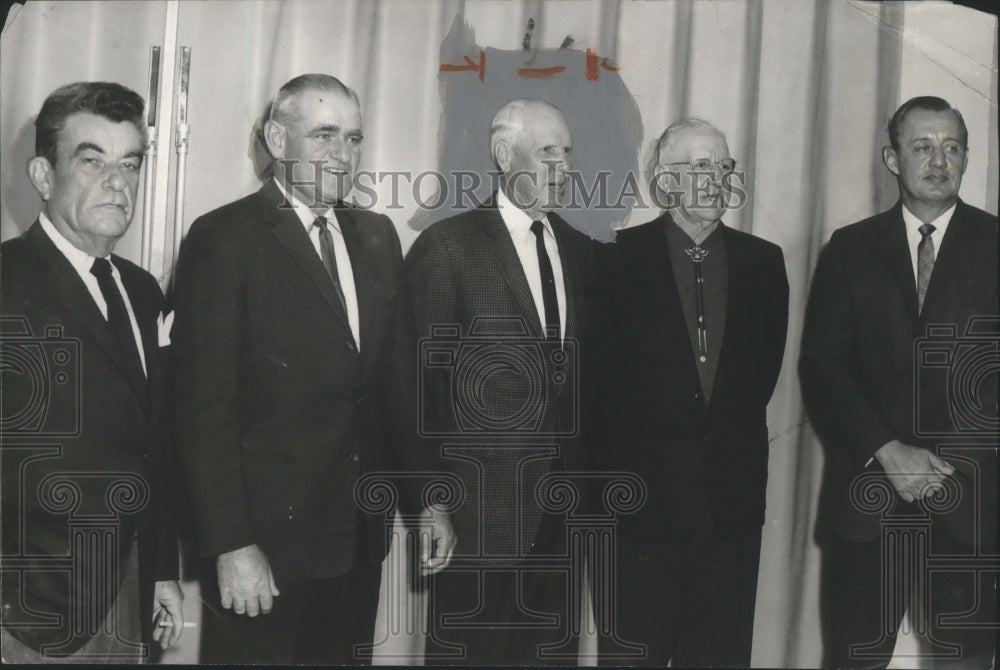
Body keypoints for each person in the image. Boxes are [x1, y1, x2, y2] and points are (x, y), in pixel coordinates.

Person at [170, 73, 454, 665]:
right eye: (325, 135)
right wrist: (231, 543)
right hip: (264, 552)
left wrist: (429, 496)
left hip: (355, 540)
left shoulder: (375, 234)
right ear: (278, 138)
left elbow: (395, 384)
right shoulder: (224, 237)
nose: (343, 155)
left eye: (353, 138)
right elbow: (203, 407)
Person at [801, 96, 997, 669]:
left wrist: (942, 467)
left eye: (952, 147)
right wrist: (889, 452)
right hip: (868, 506)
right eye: (922, 146)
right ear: (892, 158)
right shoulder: (851, 248)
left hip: (972, 509)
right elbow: (823, 367)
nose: (939, 160)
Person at [405, 98, 601, 665]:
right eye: (546, 153)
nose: (561, 167)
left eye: (567, 153)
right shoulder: (447, 247)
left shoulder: (582, 250)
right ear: (501, 154)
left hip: (562, 514)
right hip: (477, 517)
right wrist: (433, 502)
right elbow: (421, 387)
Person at [0, 81, 184, 662]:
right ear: (43, 176)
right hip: (27, 609)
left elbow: (154, 443)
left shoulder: (141, 290)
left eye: (130, 162)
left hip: (126, 594)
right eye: (92, 160)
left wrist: (161, 571)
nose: (118, 182)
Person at [596, 118, 788, 666]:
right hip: (638, 515)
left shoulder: (763, 262)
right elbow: (600, 389)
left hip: (730, 508)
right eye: (699, 166)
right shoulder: (613, 258)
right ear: (665, 179)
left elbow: (758, 380)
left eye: (723, 166)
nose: (715, 179)